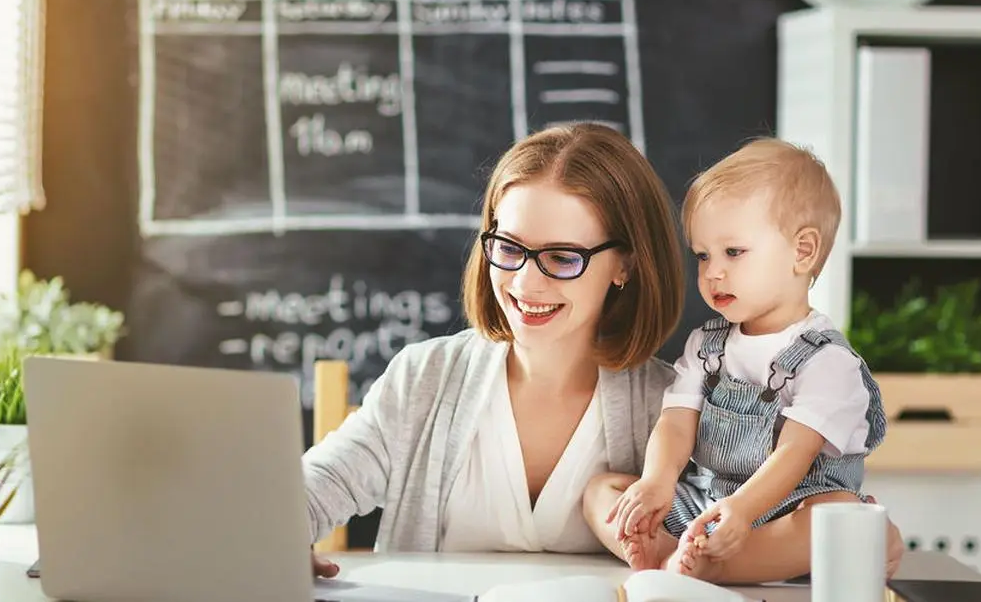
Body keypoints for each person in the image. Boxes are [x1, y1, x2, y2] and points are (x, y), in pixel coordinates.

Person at [305, 123, 686, 578]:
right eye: (508, 247)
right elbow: (318, 485)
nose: (525, 283)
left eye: (562, 258)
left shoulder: (674, 409)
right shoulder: (426, 376)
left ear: (625, 264)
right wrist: (275, 537)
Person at [583, 137, 901, 584]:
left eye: (733, 252)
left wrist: (742, 512)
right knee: (603, 490)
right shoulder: (705, 345)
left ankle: (708, 565)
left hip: (784, 512)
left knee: (839, 515)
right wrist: (655, 482)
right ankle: (672, 550)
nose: (713, 272)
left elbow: (794, 454)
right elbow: (676, 423)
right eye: (702, 255)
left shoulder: (828, 361)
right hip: (707, 503)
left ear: (802, 252)